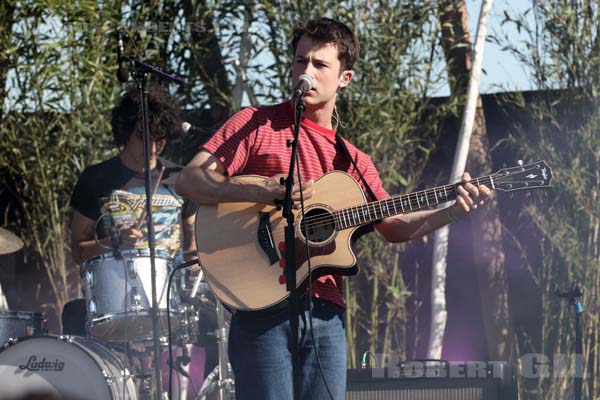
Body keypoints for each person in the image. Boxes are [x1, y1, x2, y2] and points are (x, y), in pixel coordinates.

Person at [175, 17, 491, 400]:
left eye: (319, 64)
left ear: (345, 78)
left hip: (325, 313)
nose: (305, 72)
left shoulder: (354, 161)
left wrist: (451, 211)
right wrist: (259, 188)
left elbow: (393, 225)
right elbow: (189, 180)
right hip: (259, 306)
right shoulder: (255, 124)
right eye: (299, 61)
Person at [68, 82, 209, 398]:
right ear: (125, 130)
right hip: (115, 313)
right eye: (145, 137)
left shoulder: (179, 178)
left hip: (171, 307)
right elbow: (78, 251)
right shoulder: (97, 180)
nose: (155, 146)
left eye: (161, 137)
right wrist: (114, 244)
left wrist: (194, 278)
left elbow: (191, 243)